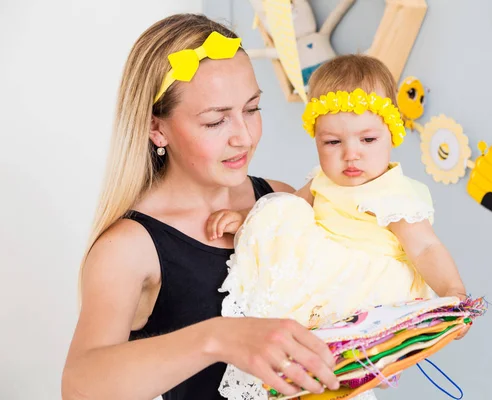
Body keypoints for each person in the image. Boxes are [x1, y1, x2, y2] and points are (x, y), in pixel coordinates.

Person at [61, 13, 341, 400]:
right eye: (215, 122)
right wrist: (218, 338)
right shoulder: (129, 247)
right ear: (156, 127)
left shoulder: (279, 199)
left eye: (252, 109)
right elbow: (79, 386)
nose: (243, 137)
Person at [208, 55, 470, 400]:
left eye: (368, 140)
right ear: (316, 138)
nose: (351, 155)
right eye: (333, 142)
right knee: (281, 208)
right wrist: (248, 222)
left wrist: (453, 292)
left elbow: (425, 248)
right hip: (317, 285)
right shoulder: (321, 182)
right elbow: (285, 213)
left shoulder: (393, 194)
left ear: (391, 134)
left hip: (365, 289)